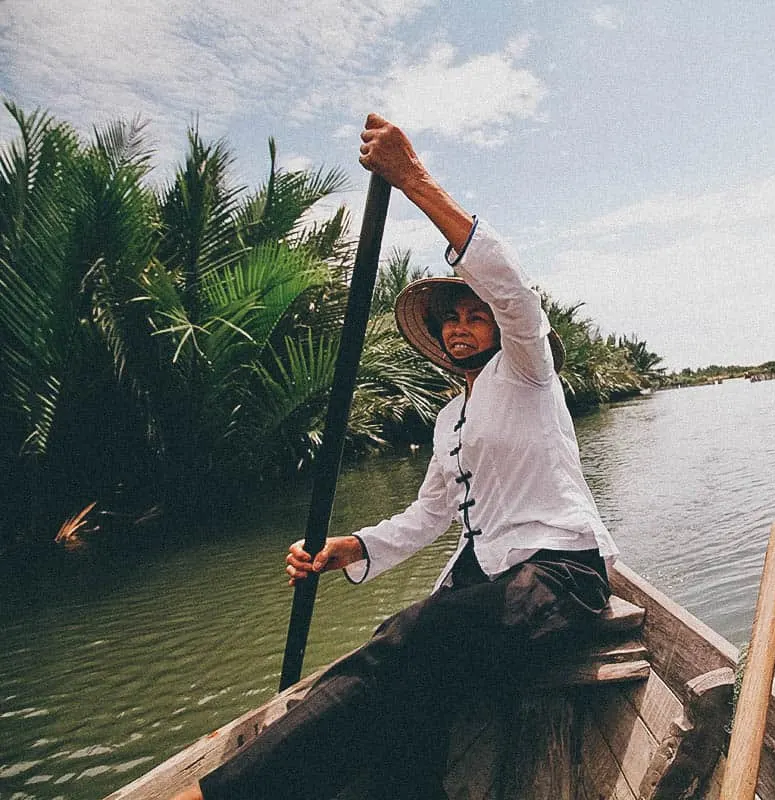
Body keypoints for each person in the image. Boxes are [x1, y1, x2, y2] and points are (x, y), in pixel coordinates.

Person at [171, 113, 618, 800]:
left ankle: (219, 794)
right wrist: (349, 548)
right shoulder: (448, 419)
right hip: (487, 585)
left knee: (412, 634)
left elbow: (511, 287)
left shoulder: (528, 373)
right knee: (411, 690)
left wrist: (412, 180)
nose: (463, 325)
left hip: (560, 578)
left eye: (476, 315)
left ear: (499, 330)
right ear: (442, 337)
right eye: (452, 319)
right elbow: (430, 515)